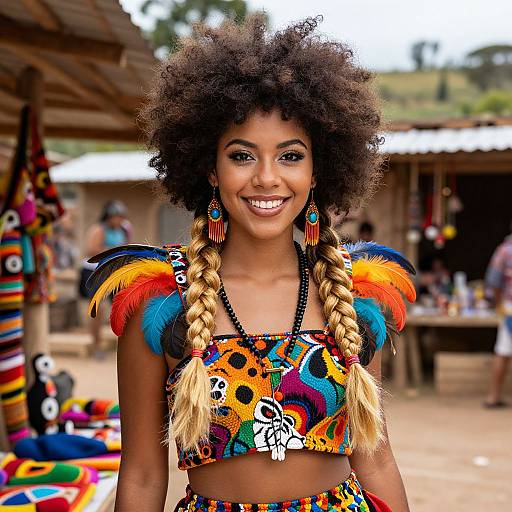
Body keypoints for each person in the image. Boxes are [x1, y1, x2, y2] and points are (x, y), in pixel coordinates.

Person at [88, 16, 415, 512]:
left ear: (316, 171)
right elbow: (141, 477)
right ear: (209, 168)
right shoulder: (160, 303)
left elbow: (376, 461)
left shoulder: (351, 294)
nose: (267, 178)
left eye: (290, 156)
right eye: (242, 156)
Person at [79, 200, 132, 358]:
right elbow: (91, 251)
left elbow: (127, 247)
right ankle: (96, 346)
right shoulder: (99, 230)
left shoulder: (124, 229)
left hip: (114, 272)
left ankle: (124, 344)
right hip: (95, 272)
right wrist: (114, 250)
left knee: (122, 305)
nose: (118, 220)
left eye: (120, 217)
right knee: (98, 309)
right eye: (115, 217)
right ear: (108, 217)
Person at [484, 224, 512, 408]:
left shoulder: (504, 251)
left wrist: (498, 303)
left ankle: (493, 397)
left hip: (509, 308)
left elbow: (493, 280)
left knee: (502, 351)